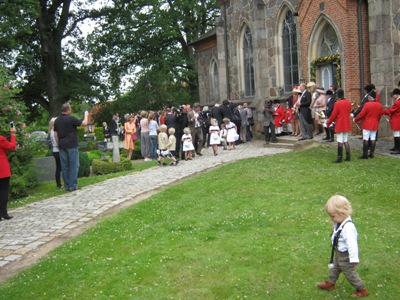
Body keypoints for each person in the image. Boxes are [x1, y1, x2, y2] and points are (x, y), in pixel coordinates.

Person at [317, 195, 369, 298]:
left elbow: (352, 244)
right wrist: (335, 230)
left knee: (350, 273)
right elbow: (340, 234)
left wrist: (354, 259)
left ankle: (361, 289)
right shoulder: (340, 222)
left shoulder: (348, 228)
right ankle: (331, 284)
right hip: (339, 252)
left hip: (346, 256)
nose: (331, 218)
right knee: (334, 268)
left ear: (343, 213)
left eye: (332, 216)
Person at [53, 103, 88, 192]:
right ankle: (72, 186)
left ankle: (67, 185)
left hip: (62, 145)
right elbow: (84, 123)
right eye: (70, 109)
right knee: (74, 165)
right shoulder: (71, 119)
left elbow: (55, 134)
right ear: (68, 110)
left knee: (65, 166)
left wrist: (58, 144)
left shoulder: (57, 121)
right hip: (71, 145)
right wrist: (86, 115)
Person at [354, 91, 383, 158]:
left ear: (370, 97)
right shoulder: (379, 105)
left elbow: (362, 114)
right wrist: (376, 121)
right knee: (373, 138)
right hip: (375, 123)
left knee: (366, 138)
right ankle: (371, 153)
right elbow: (380, 115)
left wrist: (356, 119)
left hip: (367, 123)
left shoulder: (367, 104)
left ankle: (365, 154)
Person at [326, 88, 352, 163]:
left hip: (340, 123)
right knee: (346, 140)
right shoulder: (348, 102)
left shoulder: (337, 103)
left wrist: (328, 123)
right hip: (346, 122)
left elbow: (333, 115)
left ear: (338, 95)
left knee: (340, 140)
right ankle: (348, 156)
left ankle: (339, 157)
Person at [0, 124, 17, 220]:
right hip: (2, 168)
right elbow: (12, 147)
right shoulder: (1, 139)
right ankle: (3, 212)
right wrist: (13, 135)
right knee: (3, 190)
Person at [382, 88, 400, 154]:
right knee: (396, 134)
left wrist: (383, 112)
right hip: (397, 119)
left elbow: (391, 110)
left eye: (393, 95)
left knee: (397, 134)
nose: (392, 96)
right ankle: (396, 147)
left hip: (397, 119)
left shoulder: (398, 102)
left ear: (397, 95)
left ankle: (398, 149)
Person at [49, 117, 63, 189]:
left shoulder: (51, 131)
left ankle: (58, 183)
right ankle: (59, 183)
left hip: (55, 150)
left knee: (58, 167)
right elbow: (56, 140)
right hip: (58, 150)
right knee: (61, 167)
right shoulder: (54, 131)